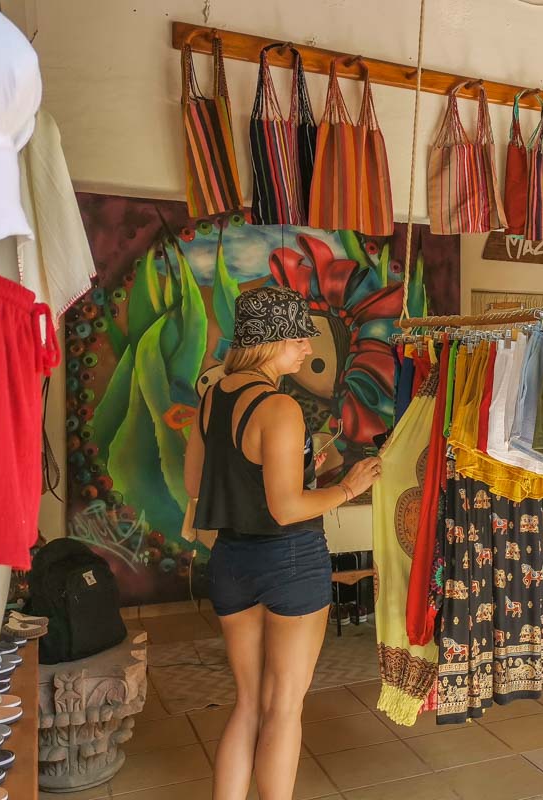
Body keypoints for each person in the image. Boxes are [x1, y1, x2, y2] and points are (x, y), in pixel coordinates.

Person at [184, 285, 382, 800]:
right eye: (299, 338)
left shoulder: (213, 398)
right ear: (272, 342)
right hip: (290, 561)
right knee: (284, 707)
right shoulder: (280, 408)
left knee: (248, 702)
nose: (307, 349)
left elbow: (195, 485)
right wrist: (347, 488)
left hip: (230, 561)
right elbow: (287, 508)